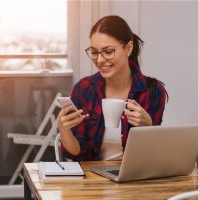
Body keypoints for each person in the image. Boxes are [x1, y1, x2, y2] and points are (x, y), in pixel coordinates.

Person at [58, 15, 168, 161]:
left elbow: (152, 156)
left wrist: (148, 128)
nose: (100, 60)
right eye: (95, 52)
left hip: (135, 178)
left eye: (108, 52)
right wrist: (64, 130)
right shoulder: (84, 89)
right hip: (91, 179)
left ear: (128, 48)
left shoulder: (152, 92)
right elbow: (76, 152)